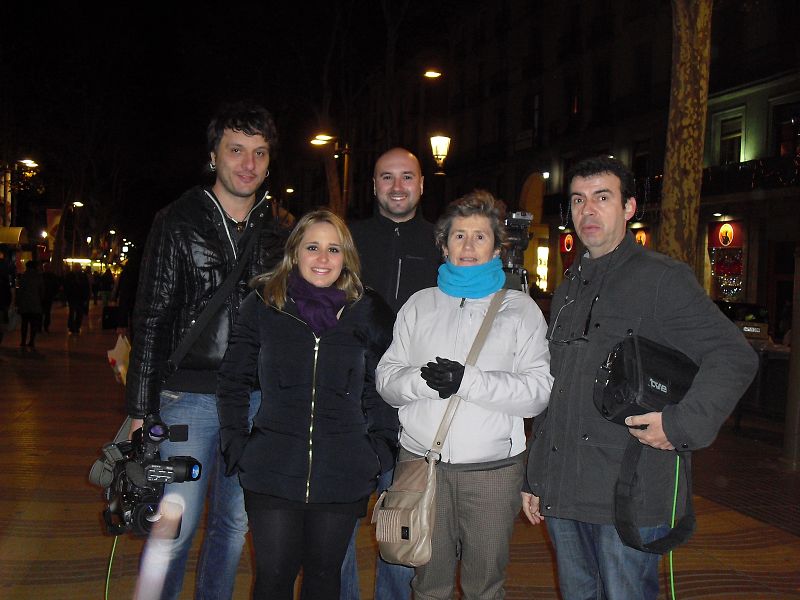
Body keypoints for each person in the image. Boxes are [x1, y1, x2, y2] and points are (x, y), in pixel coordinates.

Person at [521, 156, 759, 599]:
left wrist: (681, 425)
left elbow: (732, 355)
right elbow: (558, 388)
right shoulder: (570, 285)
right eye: (578, 200)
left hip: (627, 493)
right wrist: (536, 479)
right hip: (564, 492)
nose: (587, 211)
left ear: (629, 208)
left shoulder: (661, 279)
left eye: (602, 198)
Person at [125, 100, 286, 600]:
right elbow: (150, 319)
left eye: (259, 153)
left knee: (233, 528)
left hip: (253, 401)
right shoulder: (178, 220)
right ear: (214, 155)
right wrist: (139, 411)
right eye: (236, 150)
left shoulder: (280, 231)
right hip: (187, 398)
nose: (248, 163)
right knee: (172, 527)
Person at [376, 190, 553, 599]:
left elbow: (537, 393)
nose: (468, 246)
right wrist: (425, 382)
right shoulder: (419, 305)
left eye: (479, 236)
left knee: (484, 586)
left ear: (496, 245)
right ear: (443, 244)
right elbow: (386, 379)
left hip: (492, 474)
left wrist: (467, 381)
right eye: (458, 236)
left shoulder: (519, 309)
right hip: (422, 466)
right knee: (428, 582)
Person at [217, 209, 398, 599]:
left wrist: (379, 451)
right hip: (272, 466)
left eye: (333, 249)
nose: (323, 258)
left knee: (322, 579)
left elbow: (381, 387)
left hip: (344, 470)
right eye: (312, 247)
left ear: (346, 257)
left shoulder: (365, 310)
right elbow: (233, 379)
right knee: (273, 578)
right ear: (294, 252)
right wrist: (236, 445)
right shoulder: (263, 305)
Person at [341, 147, 441, 599]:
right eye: (387, 177)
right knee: (335, 523)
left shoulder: (443, 243)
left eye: (406, 177)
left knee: (402, 525)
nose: (397, 187)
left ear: (421, 184)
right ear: (374, 185)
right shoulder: (347, 239)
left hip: (414, 406)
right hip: (346, 402)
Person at [16, 260, 44, 348]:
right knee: (33, 324)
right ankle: (31, 341)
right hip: (35, 304)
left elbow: (20, 291)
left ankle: (23, 341)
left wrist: (18, 302)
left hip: (24, 304)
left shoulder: (24, 276)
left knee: (24, 323)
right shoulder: (38, 277)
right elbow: (42, 291)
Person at [63, 263, 89, 334]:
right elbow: (66, 286)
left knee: (79, 313)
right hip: (73, 297)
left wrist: (86, 297)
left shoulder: (83, 276)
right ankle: (72, 326)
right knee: (72, 312)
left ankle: (77, 326)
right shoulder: (70, 275)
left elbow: (86, 287)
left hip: (80, 297)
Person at [40, 262, 61, 333]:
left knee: (45, 313)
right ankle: (43, 326)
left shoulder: (43, 276)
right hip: (45, 297)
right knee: (45, 312)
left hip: (47, 297)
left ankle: (44, 326)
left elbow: (56, 286)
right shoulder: (50, 276)